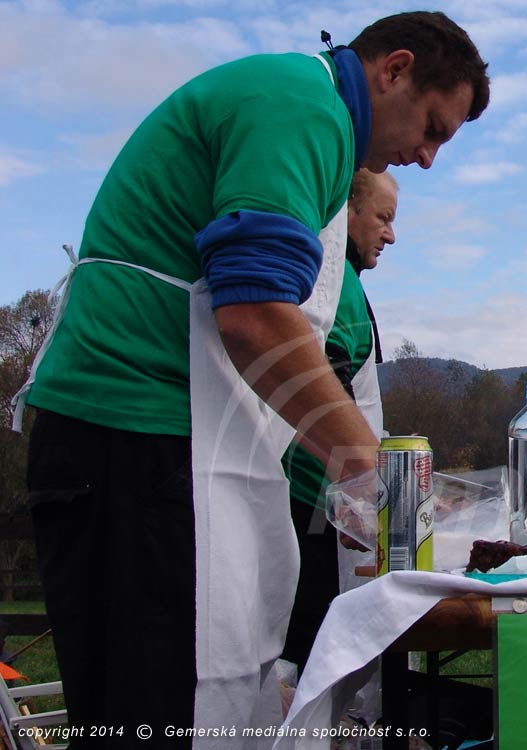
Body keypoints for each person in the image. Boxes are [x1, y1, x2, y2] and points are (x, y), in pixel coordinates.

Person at [15, 11, 488, 746]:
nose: (427, 158)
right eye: (433, 128)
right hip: (134, 439)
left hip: (174, 445)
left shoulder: (315, 119)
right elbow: (257, 314)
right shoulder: (301, 105)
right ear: (394, 69)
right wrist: (377, 479)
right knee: (154, 710)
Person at [281, 168, 397, 671]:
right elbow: (327, 398)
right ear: (347, 210)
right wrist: (365, 500)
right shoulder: (335, 283)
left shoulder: (341, 281)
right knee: (310, 660)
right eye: (383, 218)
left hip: (327, 504)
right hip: (320, 511)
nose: (391, 234)